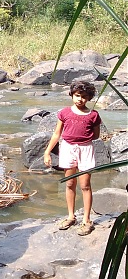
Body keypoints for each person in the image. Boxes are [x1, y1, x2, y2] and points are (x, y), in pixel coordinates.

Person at [43, 80, 102, 236]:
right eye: (77, 96)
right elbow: (57, 134)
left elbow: (96, 135)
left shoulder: (93, 115)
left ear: (89, 98)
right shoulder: (64, 113)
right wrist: (47, 152)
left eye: (84, 97)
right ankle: (71, 216)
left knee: (85, 185)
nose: (80, 99)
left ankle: (87, 220)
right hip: (68, 148)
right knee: (70, 183)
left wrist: (84, 140)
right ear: (71, 95)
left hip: (86, 149)